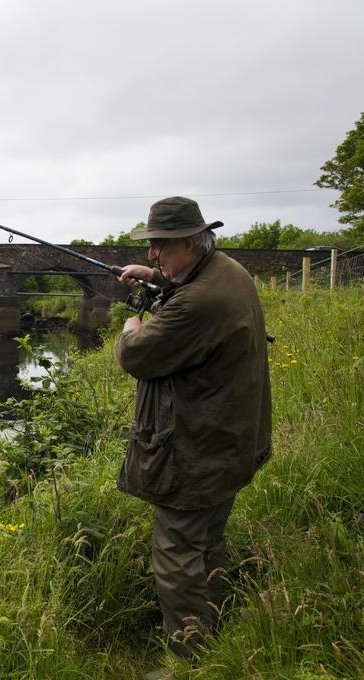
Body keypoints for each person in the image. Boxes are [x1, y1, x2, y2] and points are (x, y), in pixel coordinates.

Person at [113, 196, 272, 659]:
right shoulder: (226, 269)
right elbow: (188, 288)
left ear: (188, 241)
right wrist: (160, 279)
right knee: (206, 541)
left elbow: (135, 355)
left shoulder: (198, 301)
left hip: (199, 446)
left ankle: (190, 658)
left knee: (176, 555)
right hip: (231, 437)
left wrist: (131, 326)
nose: (151, 255)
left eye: (160, 247)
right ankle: (213, 628)